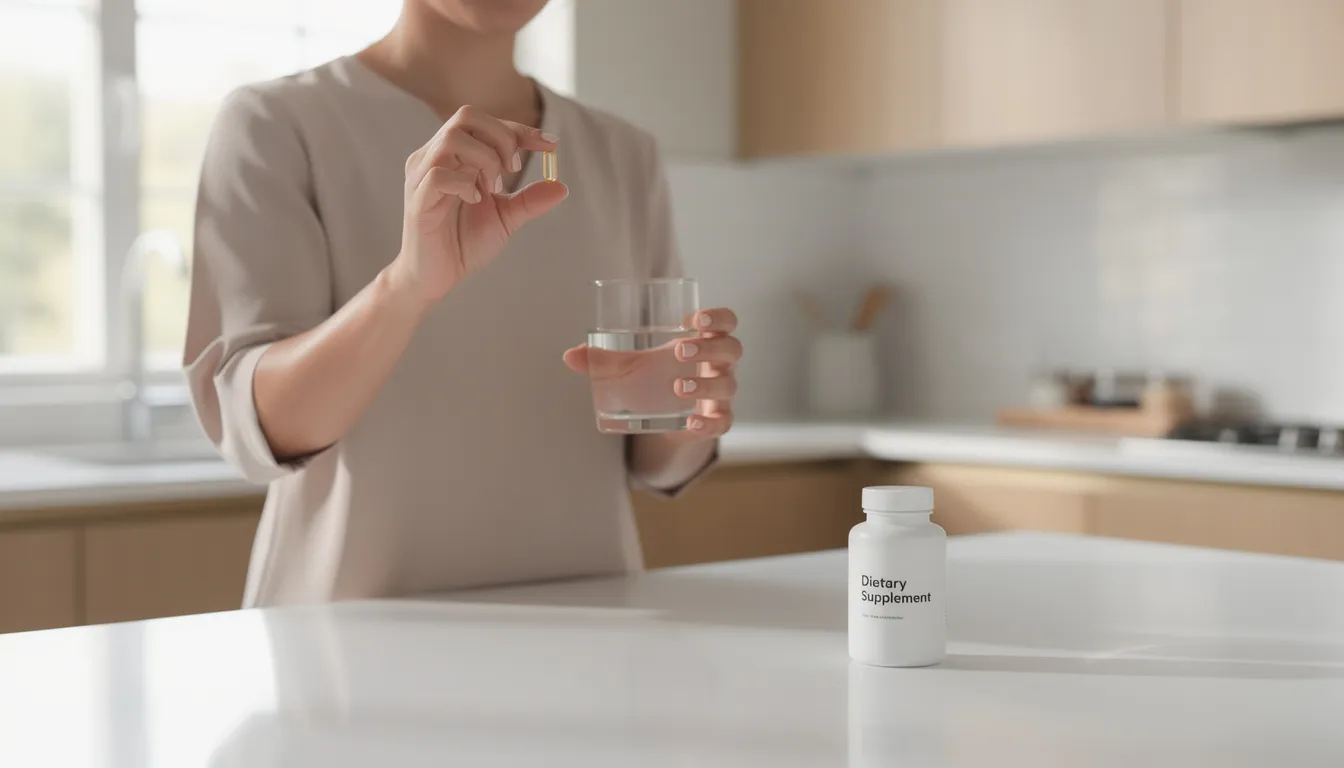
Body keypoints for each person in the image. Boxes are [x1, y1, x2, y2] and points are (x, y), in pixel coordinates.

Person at [183, 0, 743, 607]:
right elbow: (259, 426)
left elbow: (654, 458)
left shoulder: (624, 154)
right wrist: (407, 285)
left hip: (585, 635)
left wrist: (691, 404)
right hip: (349, 643)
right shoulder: (276, 124)